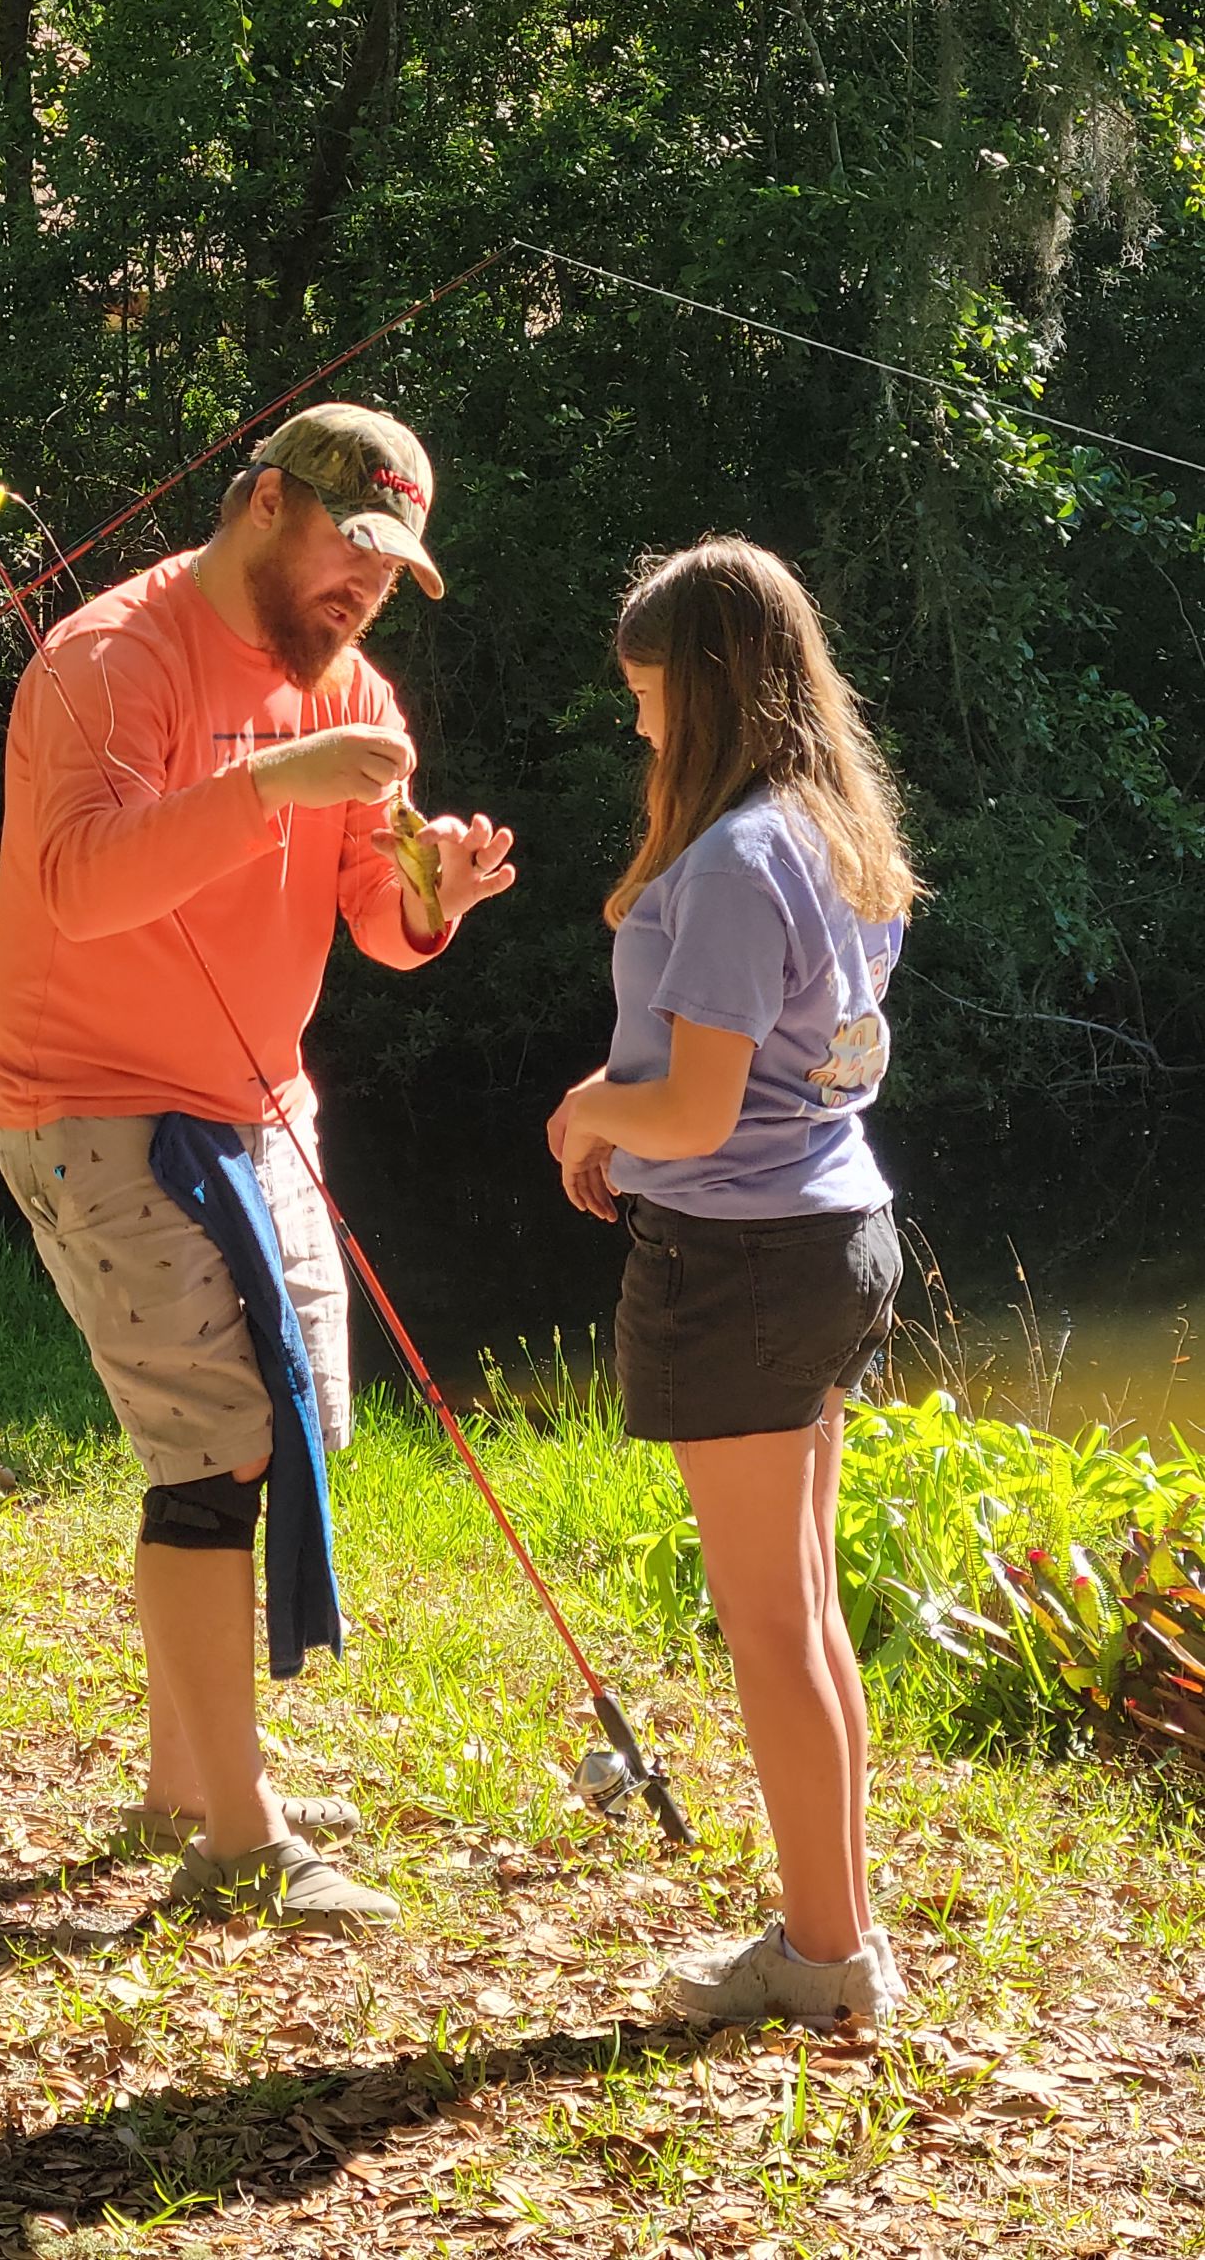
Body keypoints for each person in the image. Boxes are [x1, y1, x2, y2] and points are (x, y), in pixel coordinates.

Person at [0, 403, 515, 1934]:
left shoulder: (349, 689)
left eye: (387, 572)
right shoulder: (110, 662)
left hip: (260, 1106)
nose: (360, 595)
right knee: (213, 1451)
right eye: (346, 556)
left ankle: (182, 1779)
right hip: (89, 1102)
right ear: (263, 504)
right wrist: (270, 789)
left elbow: (375, 909)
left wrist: (440, 897)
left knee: (290, 1430)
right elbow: (78, 888)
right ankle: (234, 1833)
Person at [547, 538, 918, 2026]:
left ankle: (825, 1960)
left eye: (647, 698)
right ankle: (836, 1936)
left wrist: (585, 1114)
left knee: (769, 1623)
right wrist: (622, 1104)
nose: (639, 729)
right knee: (806, 1610)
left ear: (703, 690)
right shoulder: (834, 832)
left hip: (744, 1263)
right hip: (835, 1237)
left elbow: (691, 1115)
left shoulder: (729, 862)